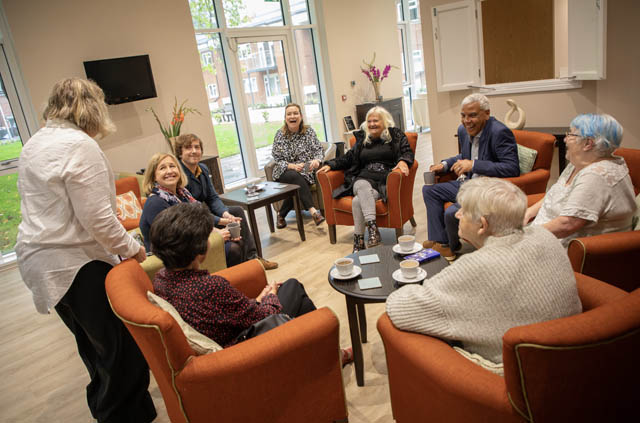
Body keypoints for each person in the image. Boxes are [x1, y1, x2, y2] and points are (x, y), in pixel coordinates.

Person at [15, 78, 156, 423]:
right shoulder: (80, 146)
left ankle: (107, 408)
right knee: (123, 351)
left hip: (42, 263)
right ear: (92, 108)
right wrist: (134, 250)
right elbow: (98, 218)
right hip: (76, 263)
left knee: (95, 347)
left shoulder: (35, 142)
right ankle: (121, 416)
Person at [386, 178, 582, 365]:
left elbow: (399, 309)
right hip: (571, 354)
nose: (456, 215)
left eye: (463, 211)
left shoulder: (476, 266)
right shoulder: (545, 235)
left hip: (512, 372)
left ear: (482, 225)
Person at [149, 202, 353, 364]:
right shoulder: (210, 287)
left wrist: (257, 300)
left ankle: (320, 356)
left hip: (226, 335)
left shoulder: (161, 279)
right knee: (292, 287)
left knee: (295, 299)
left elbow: (228, 313)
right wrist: (270, 295)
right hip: (243, 348)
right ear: (200, 249)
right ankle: (331, 356)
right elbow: (264, 316)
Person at [422, 93, 519, 260]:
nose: (467, 120)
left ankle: (449, 247)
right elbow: (465, 154)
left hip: (485, 190)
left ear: (486, 113)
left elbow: (511, 167)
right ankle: (440, 241)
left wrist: (474, 165)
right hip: (467, 184)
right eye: (463, 115)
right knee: (429, 190)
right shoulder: (463, 130)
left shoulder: (500, 132)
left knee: (452, 212)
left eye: (472, 115)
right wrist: (445, 165)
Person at [525, 114, 636, 246]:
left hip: (564, 247)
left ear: (588, 143)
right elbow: (555, 194)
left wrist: (525, 236)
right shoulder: (577, 164)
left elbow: (567, 224)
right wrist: (528, 213)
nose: (565, 139)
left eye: (571, 134)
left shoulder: (596, 176)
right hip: (543, 233)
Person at [174, 133, 277, 270]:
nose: (193, 151)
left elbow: (212, 197)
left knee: (236, 211)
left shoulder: (202, 169)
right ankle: (242, 262)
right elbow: (191, 212)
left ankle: (252, 258)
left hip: (204, 212)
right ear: (180, 153)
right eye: (188, 148)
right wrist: (219, 220)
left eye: (197, 147)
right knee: (231, 219)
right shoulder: (179, 176)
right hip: (193, 219)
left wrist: (224, 214)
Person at [319, 106, 414, 252]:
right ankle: (373, 230)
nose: (372, 124)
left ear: (384, 121)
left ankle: (358, 242)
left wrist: (403, 161)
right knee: (362, 186)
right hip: (363, 178)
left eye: (376, 121)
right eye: (369, 121)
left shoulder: (395, 135)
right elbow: (348, 158)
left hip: (383, 181)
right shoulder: (363, 138)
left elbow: (407, 152)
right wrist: (330, 165)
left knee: (358, 201)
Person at [139, 152, 243, 267]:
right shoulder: (155, 203)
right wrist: (215, 238)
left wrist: (220, 231)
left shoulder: (182, 193)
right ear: (154, 176)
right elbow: (176, 239)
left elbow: (197, 222)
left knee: (236, 241)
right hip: (171, 258)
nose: (169, 171)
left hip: (189, 244)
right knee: (233, 249)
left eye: (172, 166)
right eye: (162, 168)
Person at [271, 103, 326, 229]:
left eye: (295, 113)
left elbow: (318, 150)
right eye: (289, 114)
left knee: (296, 185)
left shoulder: (309, 132)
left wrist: (317, 160)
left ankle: (281, 215)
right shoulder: (280, 134)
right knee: (294, 176)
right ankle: (313, 212)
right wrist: (292, 166)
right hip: (285, 171)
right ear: (285, 118)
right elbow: (277, 158)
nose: (292, 116)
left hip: (305, 171)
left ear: (300, 116)